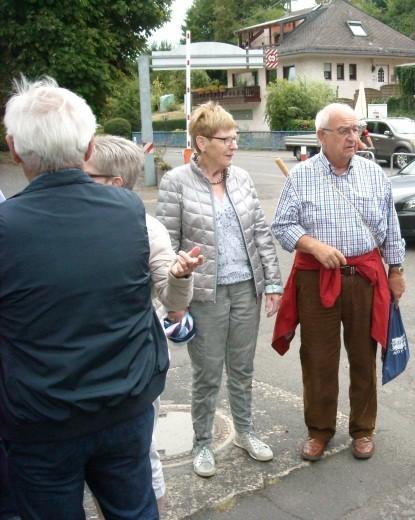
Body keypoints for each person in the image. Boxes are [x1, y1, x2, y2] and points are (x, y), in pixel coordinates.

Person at [0, 77, 168, 518]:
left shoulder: (6, 225)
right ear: (90, 147)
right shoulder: (128, 210)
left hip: (42, 420)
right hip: (124, 404)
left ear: (14, 148)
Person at [271, 102, 406, 462]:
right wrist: (312, 245)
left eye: (356, 129)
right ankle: (319, 430)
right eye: (344, 131)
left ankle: (363, 429)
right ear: (321, 137)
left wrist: (396, 270)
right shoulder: (301, 176)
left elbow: (391, 226)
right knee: (318, 359)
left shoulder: (373, 173)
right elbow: (282, 226)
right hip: (317, 280)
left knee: (364, 356)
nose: (353, 137)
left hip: (365, 278)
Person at [157, 101, 283, 477]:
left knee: (242, 368)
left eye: (236, 138)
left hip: (246, 288)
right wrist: (174, 298)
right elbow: (165, 244)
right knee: (208, 373)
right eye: (226, 139)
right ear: (202, 141)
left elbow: (260, 233)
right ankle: (202, 444)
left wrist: (273, 282)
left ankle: (245, 432)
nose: (233, 145)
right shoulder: (176, 182)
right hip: (205, 296)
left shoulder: (241, 178)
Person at [85, 135, 202, 513]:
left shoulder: (146, 228)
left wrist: (181, 275)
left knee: (140, 458)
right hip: (76, 370)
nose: (76, 179)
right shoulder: (67, 222)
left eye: (87, 175)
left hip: (131, 365)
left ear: (114, 183)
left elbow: (173, 300)